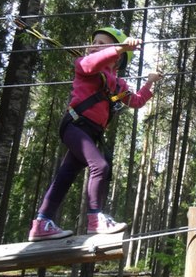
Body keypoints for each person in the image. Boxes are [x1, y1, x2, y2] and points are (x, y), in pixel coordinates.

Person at [28, 27, 162, 241]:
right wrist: (119, 47)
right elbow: (92, 63)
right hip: (75, 125)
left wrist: (149, 82)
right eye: (94, 42)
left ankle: (42, 223)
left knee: (66, 175)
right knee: (99, 166)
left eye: (101, 43)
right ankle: (94, 218)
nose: (94, 46)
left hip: (90, 132)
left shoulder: (117, 85)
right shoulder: (83, 64)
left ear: (118, 61)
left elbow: (134, 101)